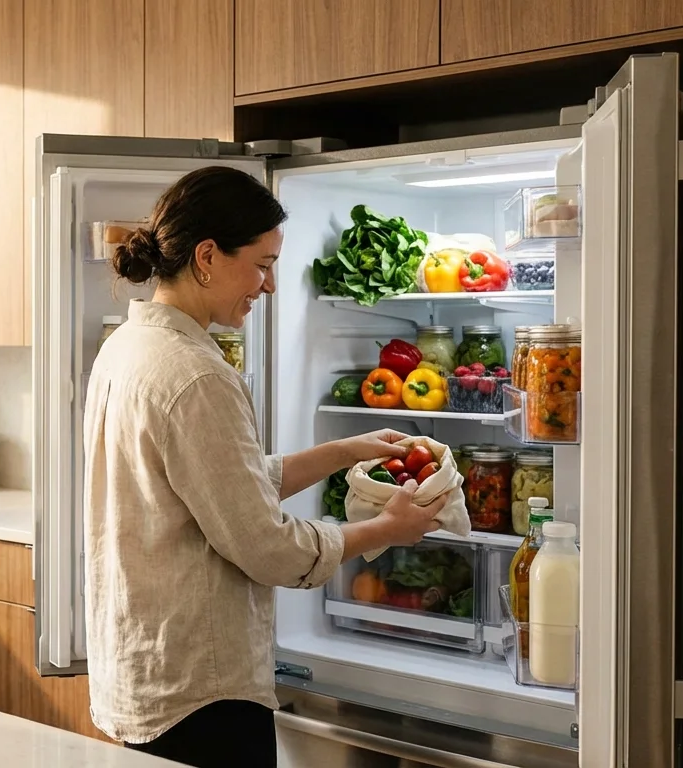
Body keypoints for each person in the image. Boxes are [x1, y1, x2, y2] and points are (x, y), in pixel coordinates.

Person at [82, 166, 447, 768]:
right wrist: (387, 531)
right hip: (202, 693)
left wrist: (343, 450)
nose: (271, 284)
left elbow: (217, 486)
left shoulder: (128, 346)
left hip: (145, 669)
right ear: (206, 257)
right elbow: (265, 544)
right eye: (261, 263)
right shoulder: (198, 375)